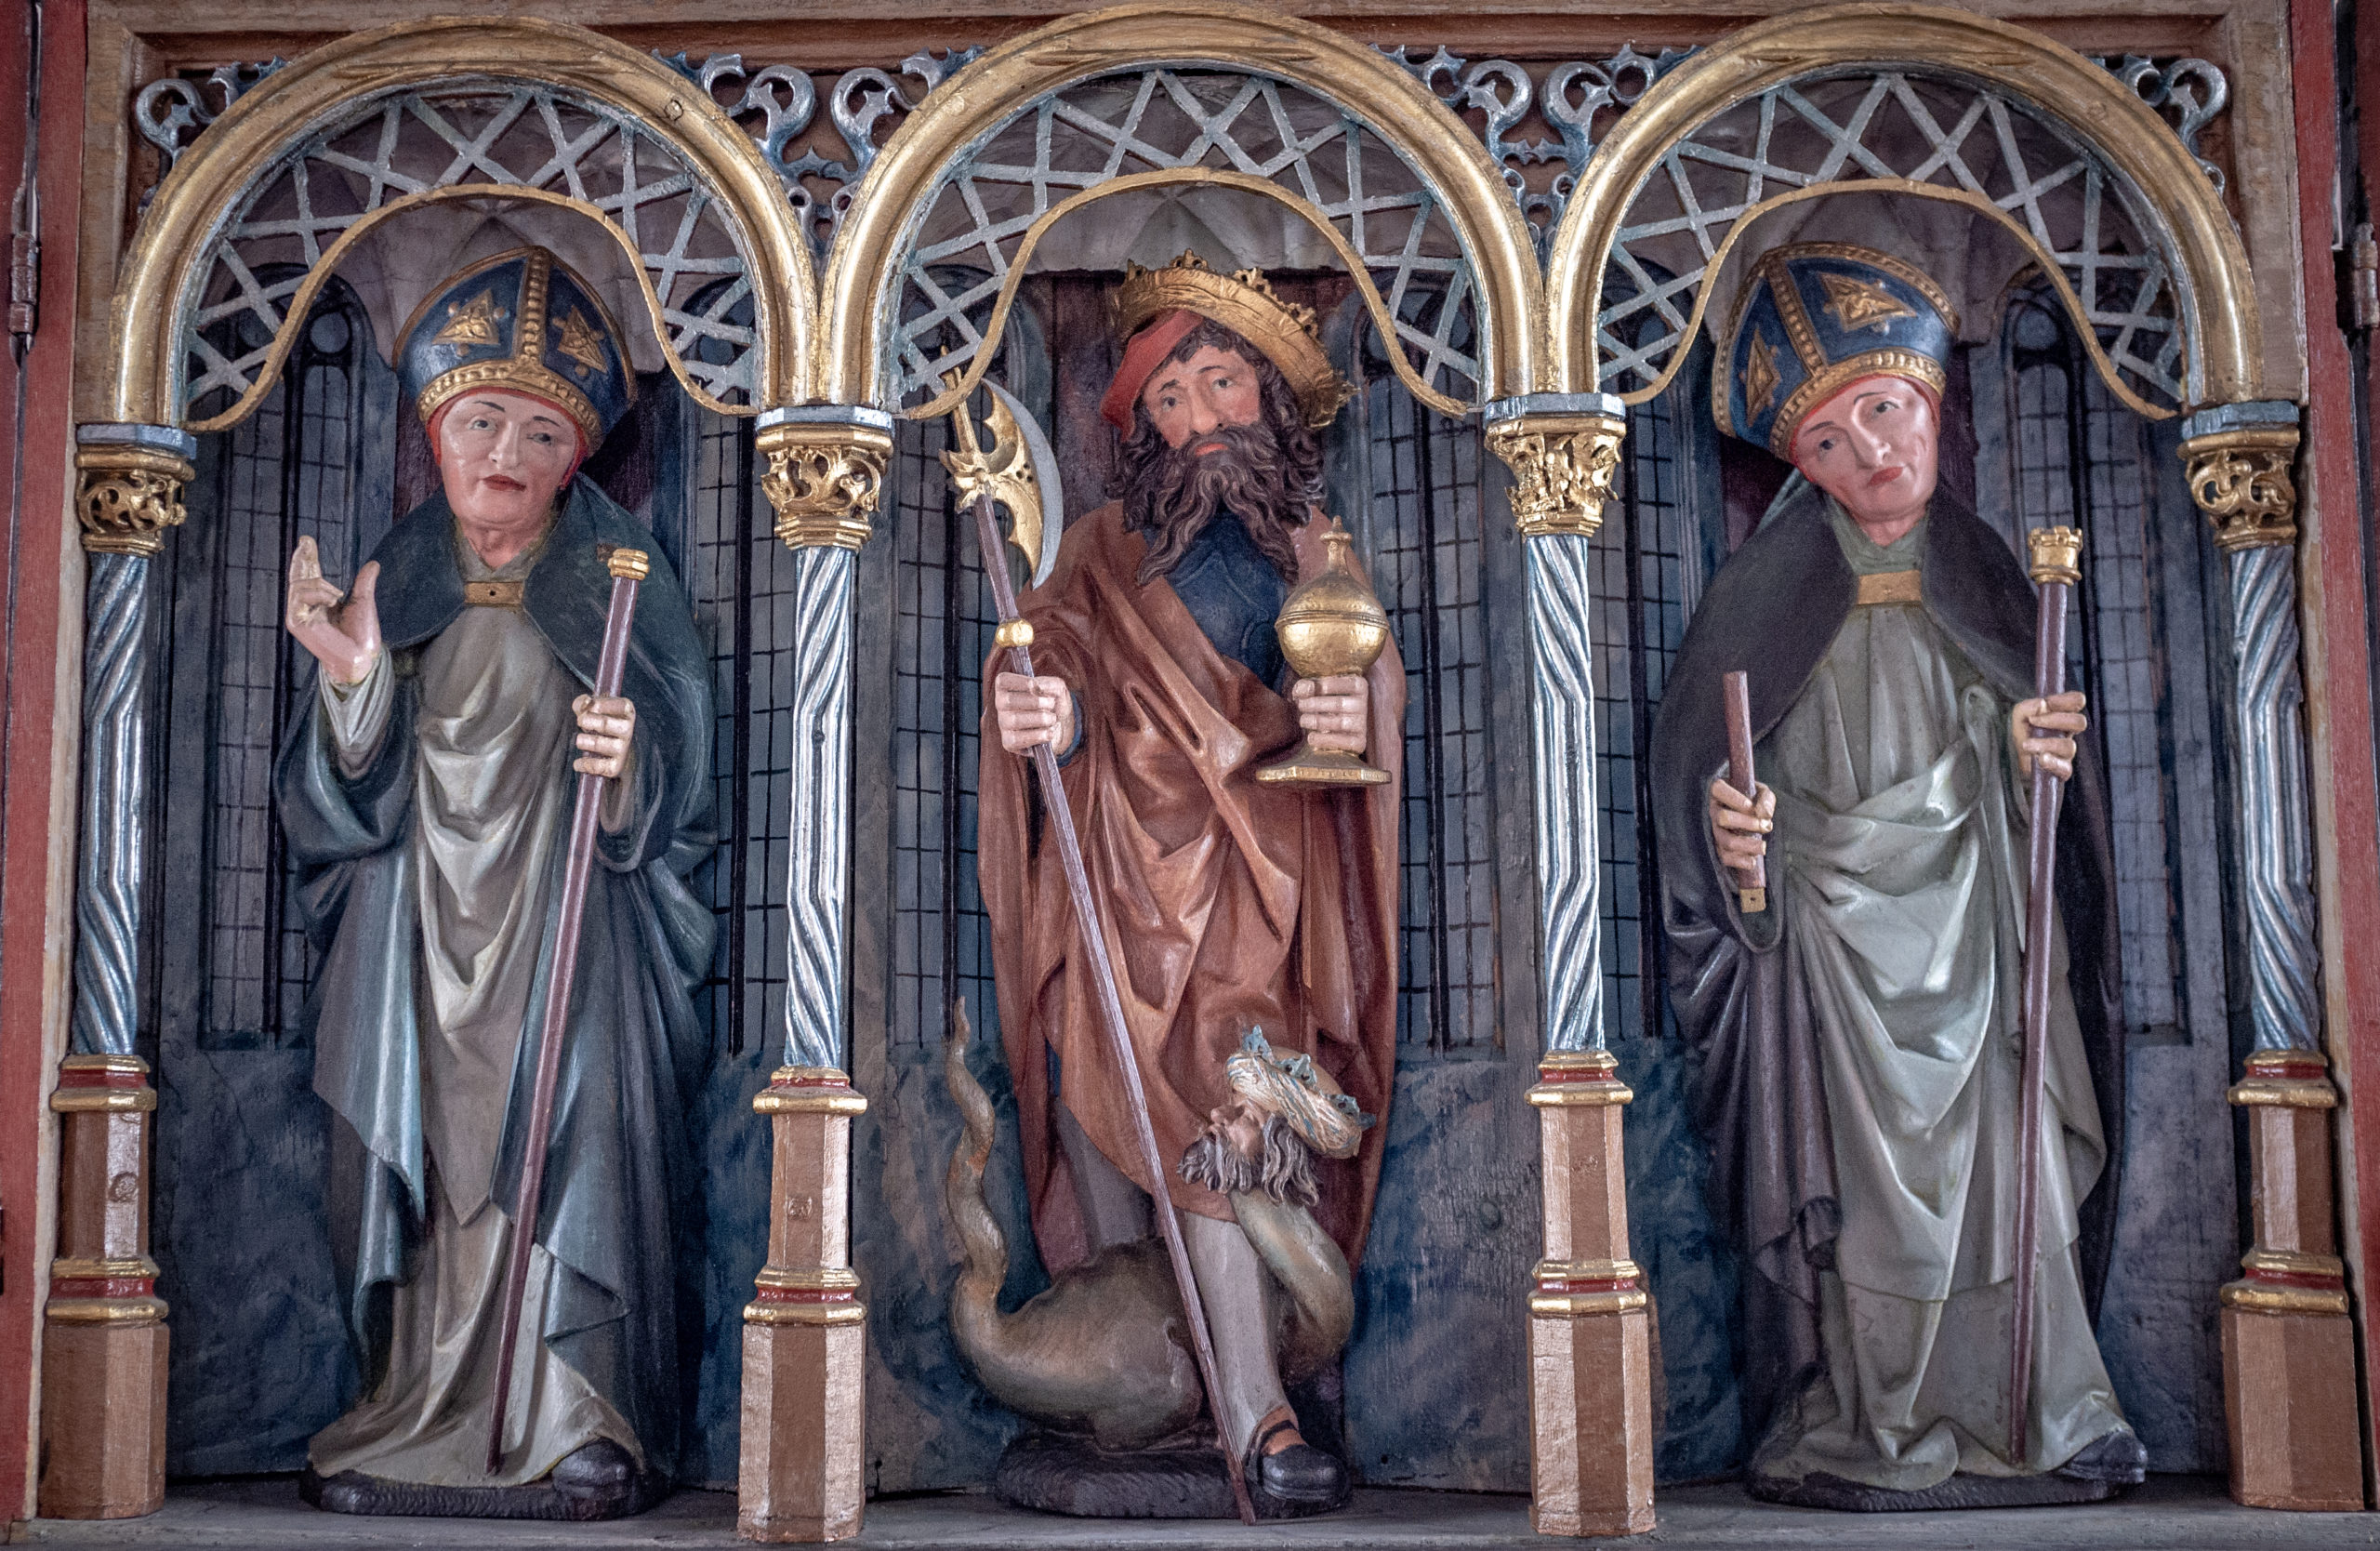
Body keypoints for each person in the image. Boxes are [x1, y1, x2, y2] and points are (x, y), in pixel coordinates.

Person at [1650, 243, 2148, 1507]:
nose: (1870, 454)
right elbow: (1710, 789)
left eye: (1883, 410)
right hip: (1832, 943)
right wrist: (1736, 840)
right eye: (1828, 441)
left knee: (2010, 1165)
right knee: (1874, 1198)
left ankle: (2047, 1407)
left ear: (1929, 404)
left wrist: (2023, 755)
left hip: (1980, 922)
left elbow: (2057, 807)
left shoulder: (1990, 581)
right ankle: (1882, 1423)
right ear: (1802, 468)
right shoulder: (1761, 594)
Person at [276, 245, 715, 1519]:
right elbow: (339, 798)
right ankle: (416, 1403)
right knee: (429, 1147)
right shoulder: (398, 576)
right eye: (479, 422)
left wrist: (631, 760)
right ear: (437, 437)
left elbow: (682, 769)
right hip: (420, 928)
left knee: (569, 1134)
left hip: (568, 925)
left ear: (576, 458)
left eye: (540, 431)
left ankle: (578, 1411)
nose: (505, 453)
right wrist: (354, 688)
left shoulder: (625, 581)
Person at [975, 253, 1402, 1513]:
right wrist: (1043, 712)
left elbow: (1362, 697)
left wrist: (1353, 712)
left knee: (1231, 1121)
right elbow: (1043, 659)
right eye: (1167, 400)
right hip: (1120, 877)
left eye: (1220, 385)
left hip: (1262, 883)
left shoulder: (1318, 551)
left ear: (1268, 396)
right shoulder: (1100, 554)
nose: (1197, 417)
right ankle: (1180, 1395)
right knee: (1116, 1116)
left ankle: (1254, 1399)